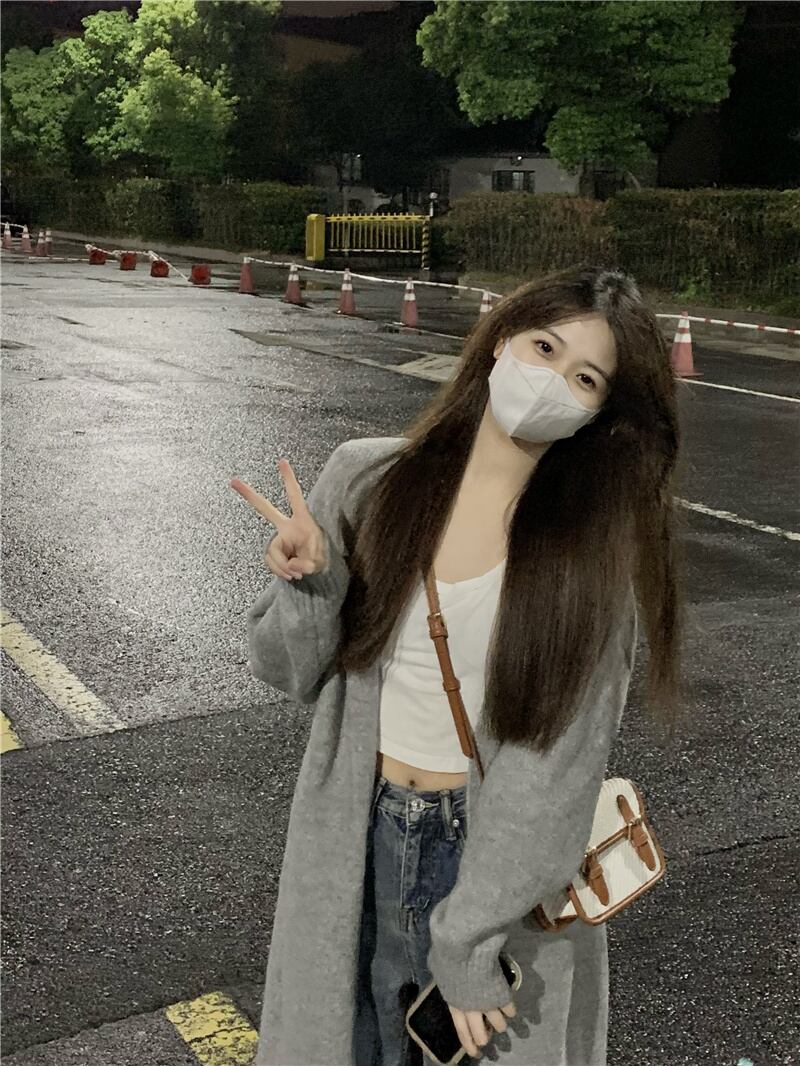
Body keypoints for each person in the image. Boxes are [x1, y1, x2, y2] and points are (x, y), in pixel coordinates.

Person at [232, 264, 685, 1066]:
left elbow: (555, 767)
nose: (551, 382)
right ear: (502, 339)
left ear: (600, 412)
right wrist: (307, 584)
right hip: (357, 833)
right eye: (544, 348)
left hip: (492, 863)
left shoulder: (585, 556)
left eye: (584, 378)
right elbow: (282, 669)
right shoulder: (368, 481)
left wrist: (471, 937)